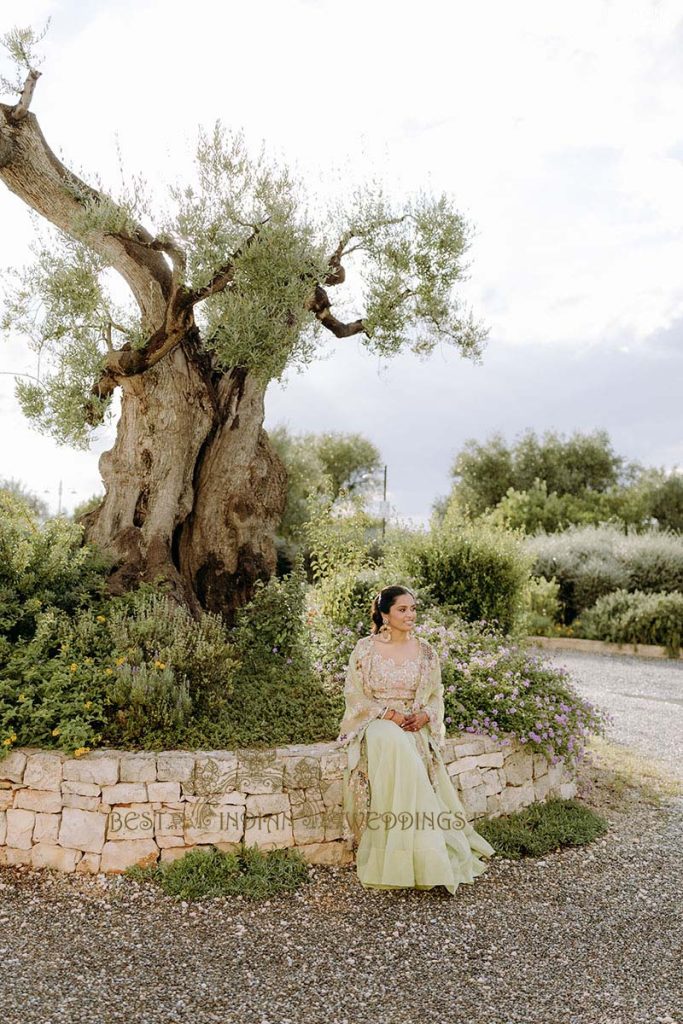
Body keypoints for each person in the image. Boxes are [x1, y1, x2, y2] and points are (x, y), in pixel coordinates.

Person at [336, 585, 496, 894]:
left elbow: (435, 695)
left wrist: (425, 716)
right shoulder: (365, 649)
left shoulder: (425, 651)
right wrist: (387, 714)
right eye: (402, 609)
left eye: (413, 609)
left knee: (409, 745)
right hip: (377, 722)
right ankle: (400, 856)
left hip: (413, 724)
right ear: (385, 614)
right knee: (397, 746)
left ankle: (429, 857)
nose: (411, 615)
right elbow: (354, 695)